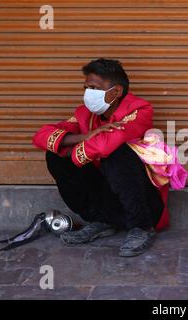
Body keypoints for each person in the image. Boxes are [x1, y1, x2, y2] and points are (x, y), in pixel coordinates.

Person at [33, 58, 167, 257]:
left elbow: (109, 142)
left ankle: (142, 228)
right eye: (86, 87)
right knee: (56, 157)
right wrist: (84, 136)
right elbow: (41, 135)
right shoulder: (84, 114)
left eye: (94, 88)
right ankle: (101, 220)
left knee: (116, 152)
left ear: (116, 91)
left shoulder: (138, 110)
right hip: (108, 196)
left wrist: (75, 151)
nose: (88, 93)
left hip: (146, 203)